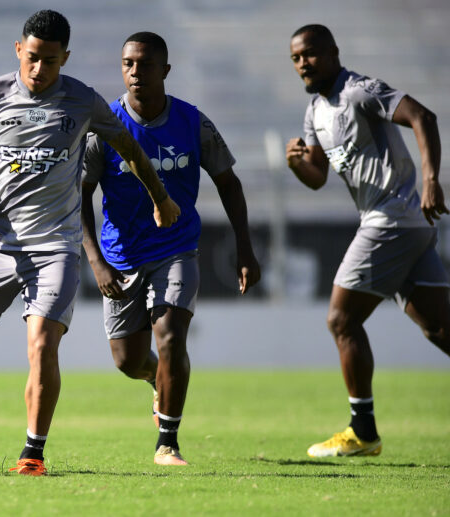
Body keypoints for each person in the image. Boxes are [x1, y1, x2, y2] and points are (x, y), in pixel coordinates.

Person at [0, 11, 181, 476]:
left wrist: (160, 197)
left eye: (50, 61)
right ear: (18, 50)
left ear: (64, 58)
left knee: (41, 344)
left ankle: (32, 454)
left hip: (56, 247)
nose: (39, 70)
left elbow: (130, 149)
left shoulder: (81, 101)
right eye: (32, 58)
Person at [81, 32, 261, 465]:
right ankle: (156, 379)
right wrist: (97, 262)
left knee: (171, 336)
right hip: (121, 256)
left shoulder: (192, 122)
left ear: (165, 70)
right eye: (128, 64)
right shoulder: (104, 126)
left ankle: (168, 442)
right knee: (128, 360)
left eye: (144, 64)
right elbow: (80, 194)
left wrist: (245, 248)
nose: (135, 72)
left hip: (177, 248)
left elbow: (228, 182)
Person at [286, 24, 450, 457]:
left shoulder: (360, 91)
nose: (303, 63)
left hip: (390, 218)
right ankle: (364, 431)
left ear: (333, 52)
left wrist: (431, 179)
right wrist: (298, 165)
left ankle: (363, 431)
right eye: (297, 58)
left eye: (311, 54)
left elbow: (423, 117)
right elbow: (318, 178)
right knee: (438, 327)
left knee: (342, 321)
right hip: (404, 224)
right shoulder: (315, 112)